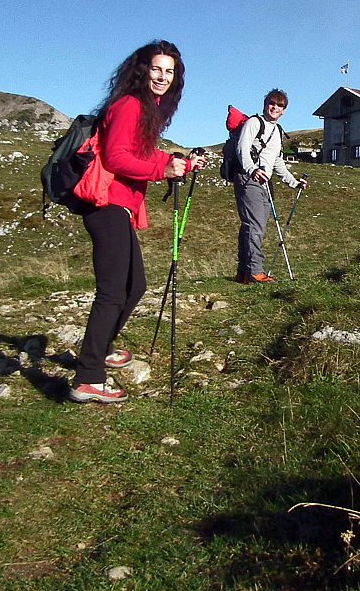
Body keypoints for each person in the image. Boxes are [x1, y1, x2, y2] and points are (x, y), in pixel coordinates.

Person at [70, 40, 204, 404]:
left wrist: (180, 163)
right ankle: (88, 377)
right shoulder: (129, 105)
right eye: (157, 69)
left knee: (135, 286)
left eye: (170, 71)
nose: (162, 76)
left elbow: (141, 153)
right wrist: (163, 170)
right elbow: (115, 158)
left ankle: (101, 350)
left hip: (120, 207)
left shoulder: (145, 110)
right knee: (113, 291)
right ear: (142, 70)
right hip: (106, 204)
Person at [233, 89, 308, 283]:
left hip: (264, 182)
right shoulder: (253, 123)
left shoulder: (277, 131)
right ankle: (255, 271)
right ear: (265, 104)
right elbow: (242, 149)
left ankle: (244, 272)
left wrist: (294, 182)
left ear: (284, 110)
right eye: (271, 103)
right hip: (249, 179)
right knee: (255, 226)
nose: (275, 107)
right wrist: (252, 170)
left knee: (251, 226)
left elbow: (277, 162)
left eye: (279, 105)